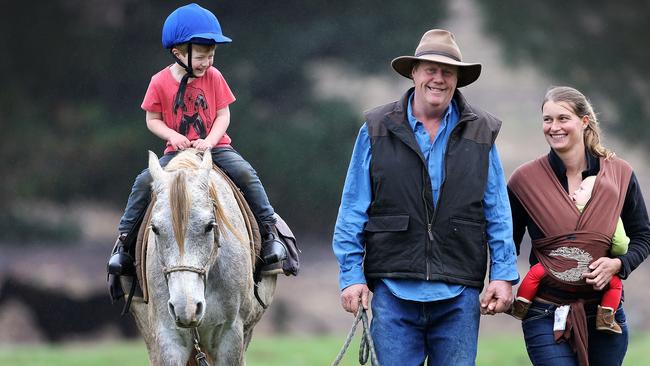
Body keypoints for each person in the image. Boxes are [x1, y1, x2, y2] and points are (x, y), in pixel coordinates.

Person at [332, 29, 519, 365]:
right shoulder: (376, 128)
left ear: (458, 79)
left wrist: (503, 275)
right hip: (393, 289)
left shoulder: (482, 132)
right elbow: (352, 208)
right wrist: (351, 276)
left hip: (459, 292)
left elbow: (497, 210)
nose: (438, 78)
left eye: (447, 71)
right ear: (414, 72)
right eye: (430, 69)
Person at [107, 3, 287, 299]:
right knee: (143, 183)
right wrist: (173, 137)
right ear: (179, 53)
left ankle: (269, 234)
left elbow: (223, 115)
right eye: (202, 56)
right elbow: (152, 119)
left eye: (211, 56)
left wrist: (211, 141)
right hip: (177, 153)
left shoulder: (214, 77)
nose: (207, 62)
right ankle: (124, 246)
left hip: (216, 149)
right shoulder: (159, 82)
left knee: (245, 173)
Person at [508, 86, 650, 366]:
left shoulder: (619, 175)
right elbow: (506, 241)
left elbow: (643, 236)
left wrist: (618, 265)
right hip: (545, 313)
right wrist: (501, 281)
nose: (553, 127)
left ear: (584, 122)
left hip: (604, 314)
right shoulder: (525, 180)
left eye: (563, 119)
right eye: (547, 120)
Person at [510, 175, 629, 334]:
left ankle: (521, 306)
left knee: (535, 273)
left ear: (597, 197)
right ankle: (605, 317)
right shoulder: (612, 218)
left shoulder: (564, 211)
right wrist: (611, 254)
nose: (573, 192)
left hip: (557, 268)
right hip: (594, 271)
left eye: (581, 189)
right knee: (615, 284)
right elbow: (621, 246)